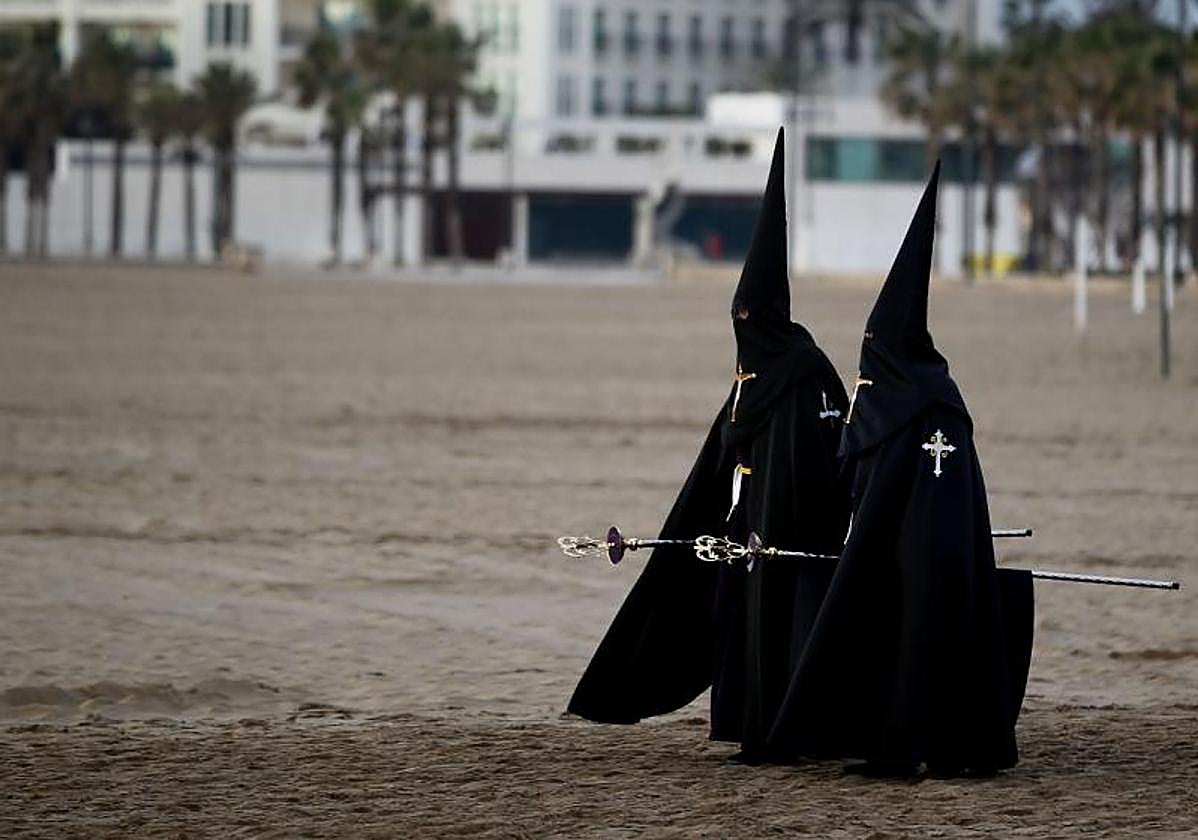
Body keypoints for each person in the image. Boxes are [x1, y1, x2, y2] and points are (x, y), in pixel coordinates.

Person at [568, 128, 852, 760]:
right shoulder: (752, 374)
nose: (741, 328)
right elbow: (724, 454)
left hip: (791, 540)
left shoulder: (806, 371)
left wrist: (791, 517)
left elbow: (823, 455)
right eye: (735, 319)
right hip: (741, 535)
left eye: (749, 318)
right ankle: (743, 727)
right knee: (731, 624)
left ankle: (783, 732)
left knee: (781, 630)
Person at [764, 162, 1035, 777]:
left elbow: (904, 486)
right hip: (922, 555)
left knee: (916, 647)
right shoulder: (918, 401)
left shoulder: (927, 406)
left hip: (925, 562)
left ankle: (906, 752)